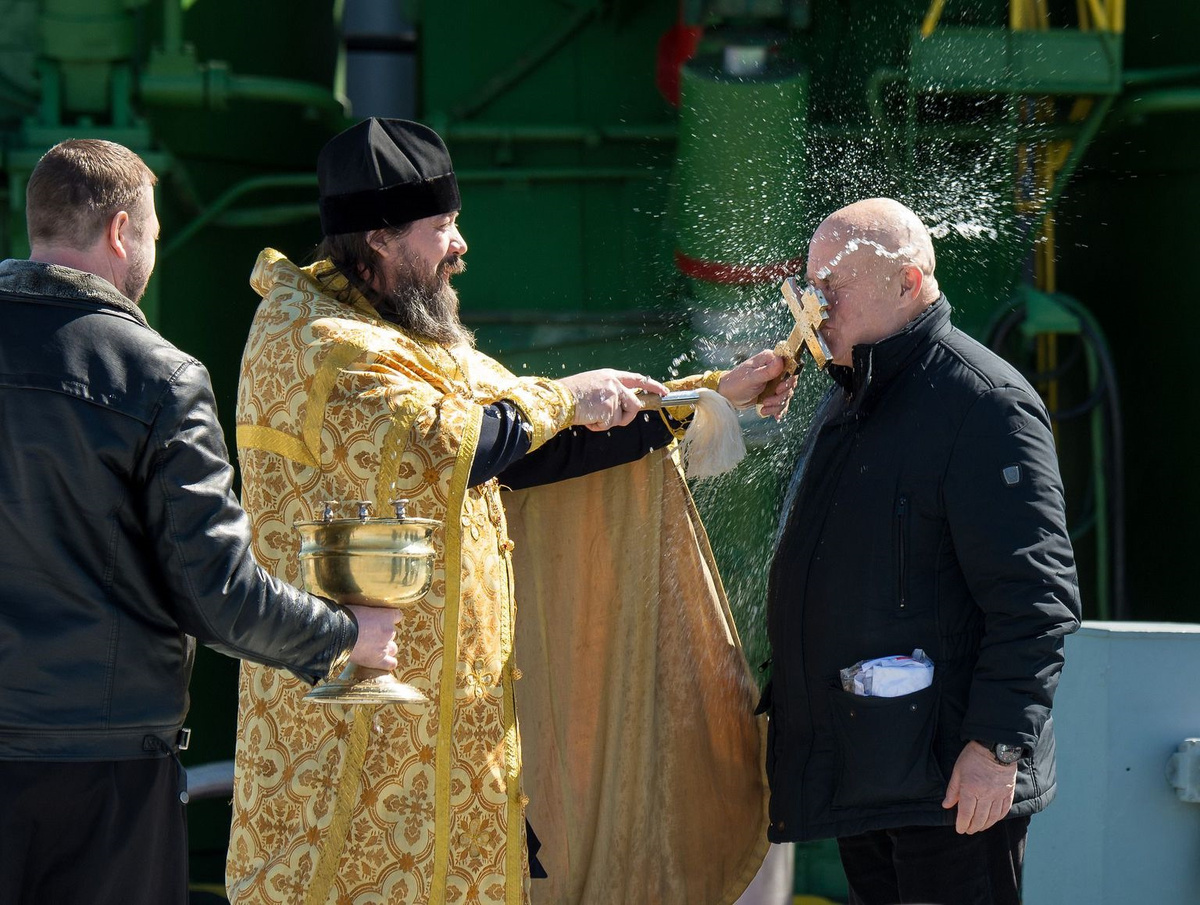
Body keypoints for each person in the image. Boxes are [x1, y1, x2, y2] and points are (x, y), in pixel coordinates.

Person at [226, 117, 792, 905]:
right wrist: (565, 395)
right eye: (442, 227)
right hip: (357, 735)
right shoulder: (316, 341)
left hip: (454, 733)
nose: (461, 245)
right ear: (382, 238)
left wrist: (708, 397)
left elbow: (534, 449)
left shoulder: (411, 339)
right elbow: (457, 439)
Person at [0, 139, 405, 905]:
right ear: (122, 232)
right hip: (103, 780)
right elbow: (219, 594)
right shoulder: (160, 378)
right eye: (151, 232)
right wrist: (348, 635)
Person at [762, 197, 1081, 905]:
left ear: (907, 284)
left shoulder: (984, 403)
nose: (815, 309)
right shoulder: (853, 393)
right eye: (809, 288)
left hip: (951, 783)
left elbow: (1037, 600)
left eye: (832, 290)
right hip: (871, 770)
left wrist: (998, 747)